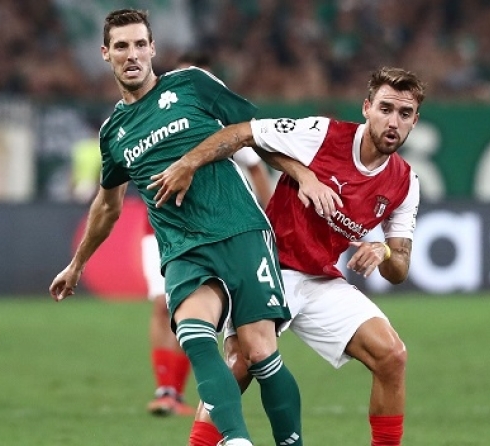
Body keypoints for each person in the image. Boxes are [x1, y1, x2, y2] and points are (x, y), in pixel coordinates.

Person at [48, 9, 302, 446]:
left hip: (239, 229)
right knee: (193, 334)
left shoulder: (191, 84)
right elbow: (107, 205)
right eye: (121, 46)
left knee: (259, 352)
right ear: (106, 54)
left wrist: (302, 177)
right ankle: (236, 440)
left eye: (139, 44)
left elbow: (251, 130)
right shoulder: (113, 132)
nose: (131, 54)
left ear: (152, 49)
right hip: (182, 247)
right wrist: (77, 264)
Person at [150, 66, 424, 446]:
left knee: (392, 355)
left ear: (414, 121)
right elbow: (245, 133)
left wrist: (384, 249)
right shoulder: (323, 134)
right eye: (386, 109)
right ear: (367, 108)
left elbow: (400, 267)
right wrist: (302, 174)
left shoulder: (405, 183)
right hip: (268, 265)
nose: (393, 122)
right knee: (240, 365)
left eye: (404, 113)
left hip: (320, 279)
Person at [143, 50, 273, 417]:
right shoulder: (148, 117)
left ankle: (190, 394)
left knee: (202, 315)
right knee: (163, 306)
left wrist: (270, 218)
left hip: (215, 231)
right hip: (162, 230)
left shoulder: (218, 123)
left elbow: (256, 167)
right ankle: (167, 389)